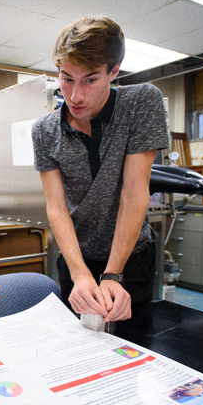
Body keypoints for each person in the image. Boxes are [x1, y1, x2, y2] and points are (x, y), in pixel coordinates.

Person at [32, 16, 169, 323]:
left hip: (130, 258)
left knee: (132, 344)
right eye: (66, 79)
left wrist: (114, 273)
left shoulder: (141, 103)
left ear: (114, 70)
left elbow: (134, 193)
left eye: (90, 80)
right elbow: (56, 206)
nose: (75, 96)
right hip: (75, 257)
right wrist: (80, 274)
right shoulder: (44, 130)